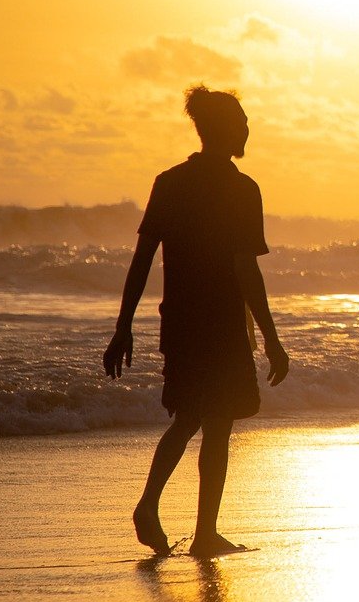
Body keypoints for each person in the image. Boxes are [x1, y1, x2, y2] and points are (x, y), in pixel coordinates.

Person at [104, 87, 290, 558]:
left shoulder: (171, 182)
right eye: (242, 122)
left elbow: (141, 260)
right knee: (218, 422)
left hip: (182, 323)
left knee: (189, 417)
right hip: (224, 324)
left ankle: (150, 505)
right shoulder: (241, 189)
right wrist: (271, 338)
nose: (248, 129)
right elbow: (246, 270)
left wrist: (123, 326)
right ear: (223, 128)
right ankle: (204, 533)